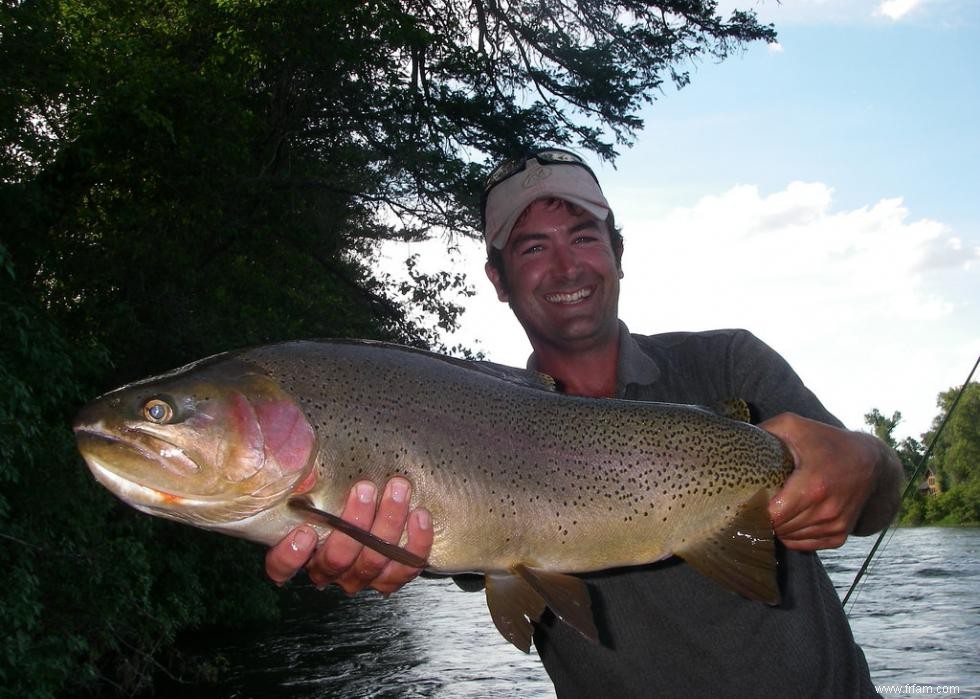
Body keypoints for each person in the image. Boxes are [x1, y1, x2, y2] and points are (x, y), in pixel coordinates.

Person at [265, 148, 903, 696]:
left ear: (619, 253)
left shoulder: (729, 365)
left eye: (584, 237)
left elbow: (875, 506)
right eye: (534, 247)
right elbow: (427, 546)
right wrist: (361, 554)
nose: (566, 267)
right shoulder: (457, 422)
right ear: (499, 278)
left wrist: (869, 461)